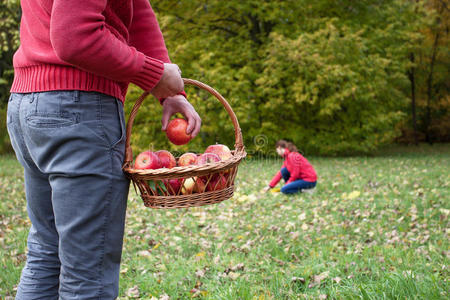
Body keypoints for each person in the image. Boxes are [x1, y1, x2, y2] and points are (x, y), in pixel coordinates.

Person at [6, 0, 201, 298]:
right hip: (76, 110)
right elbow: (75, 37)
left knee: (47, 252)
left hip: (31, 101)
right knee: (87, 275)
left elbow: (134, 11)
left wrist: (167, 88)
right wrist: (154, 74)